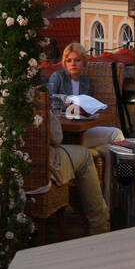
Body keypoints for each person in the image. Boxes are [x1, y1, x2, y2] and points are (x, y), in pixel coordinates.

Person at [47, 42, 125, 199]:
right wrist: (65, 100)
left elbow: (85, 106)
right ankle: (113, 194)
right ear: (64, 63)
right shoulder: (58, 77)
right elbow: (48, 98)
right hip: (64, 134)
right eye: (69, 60)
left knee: (116, 134)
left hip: (82, 130)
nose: (73, 64)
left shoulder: (86, 82)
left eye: (77, 60)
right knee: (109, 149)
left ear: (83, 62)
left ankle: (114, 192)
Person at [45, 92, 110, 234]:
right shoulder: (38, 103)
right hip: (49, 166)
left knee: (103, 143)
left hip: (23, 170)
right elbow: (57, 138)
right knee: (85, 155)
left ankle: (101, 208)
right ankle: (99, 223)